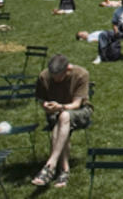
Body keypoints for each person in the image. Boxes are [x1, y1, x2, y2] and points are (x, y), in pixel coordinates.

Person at [31, 54, 93, 188]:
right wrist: (46, 106)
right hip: (56, 113)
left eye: (59, 77)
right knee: (62, 120)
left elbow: (76, 104)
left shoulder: (81, 74)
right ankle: (63, 171)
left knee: (64, 116)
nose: (55, 80)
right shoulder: (43, 76)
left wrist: (61, 107)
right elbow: (42, 101)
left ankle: (51, 164)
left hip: (80, 111)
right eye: (53, 77)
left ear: (68, 69)